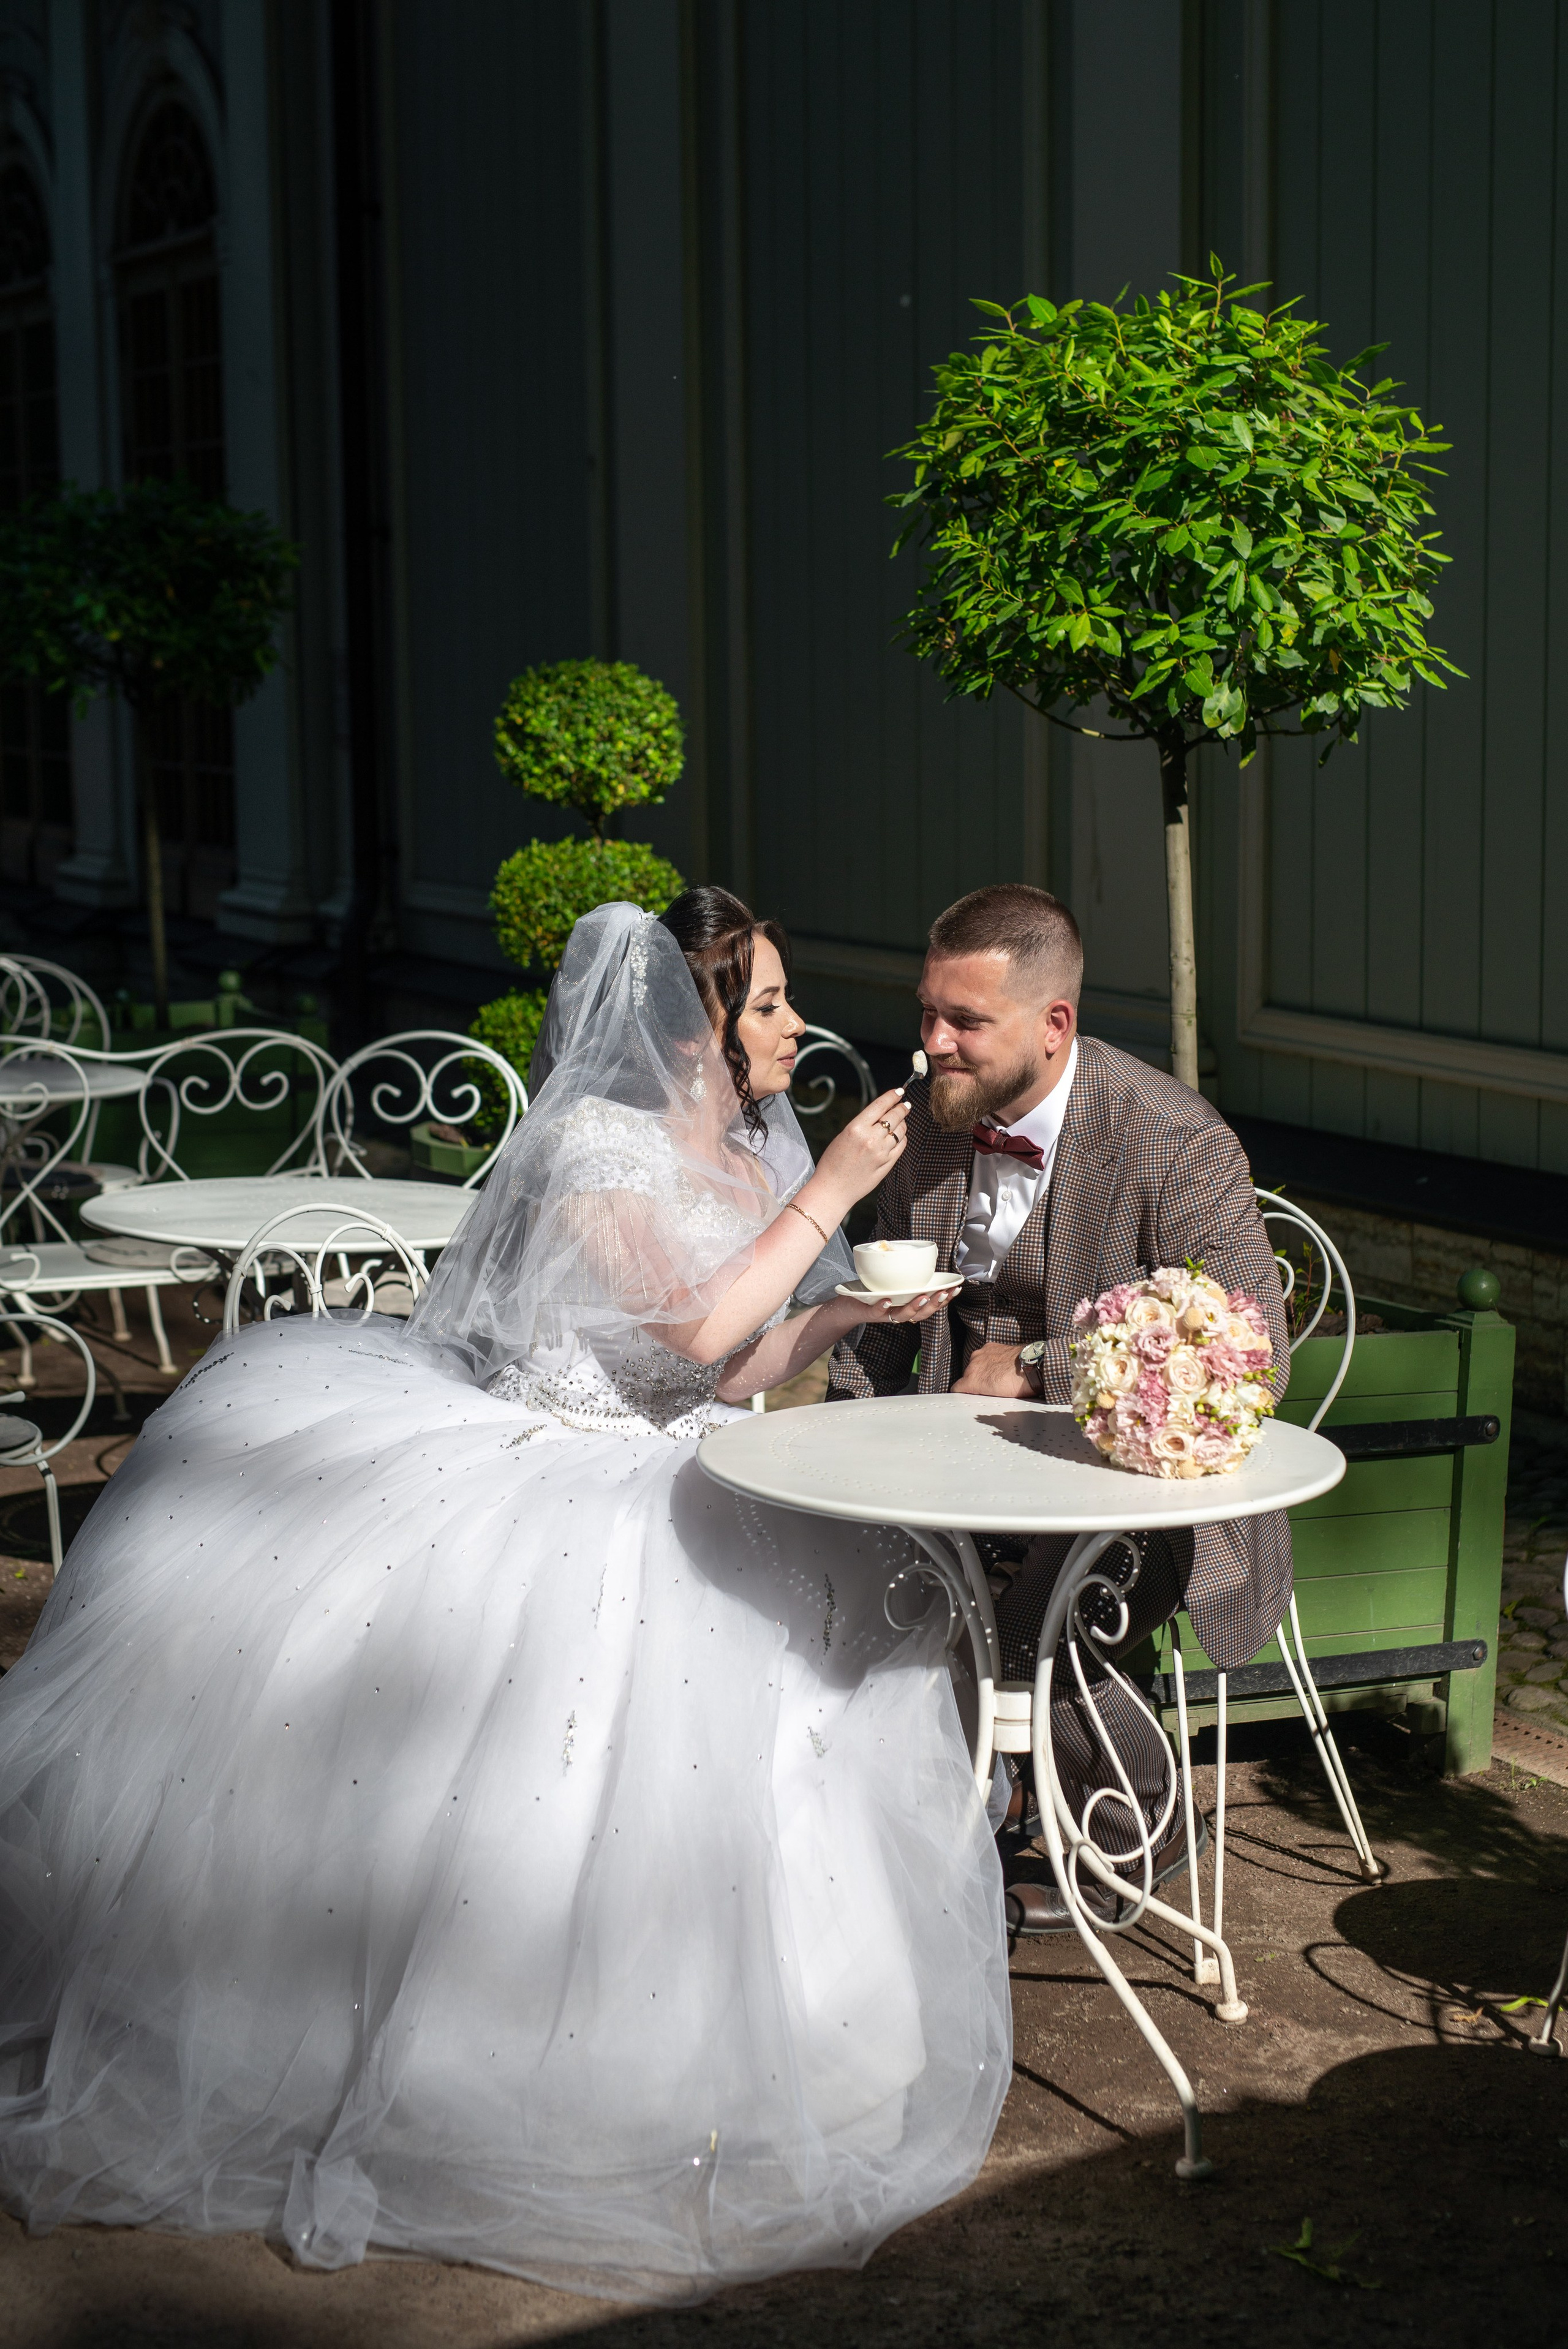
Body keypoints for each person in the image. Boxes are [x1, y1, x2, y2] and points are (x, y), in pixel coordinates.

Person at [0, 891, 1008, 2303]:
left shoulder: (739, 1138)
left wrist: (846, 1311)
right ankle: (527, 2083)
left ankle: (808, 2039)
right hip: (564, 1477)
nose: (793, 1027)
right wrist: (829, 1195)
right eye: (766, 1004)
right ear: (687, 1030)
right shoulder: (592, 1145)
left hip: (695, 1452)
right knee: (559, 1782)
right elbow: (692, 1325)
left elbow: (731, 1370)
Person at [829, 883, 1291, 1933]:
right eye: (926, 1015)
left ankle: (1140, 1841)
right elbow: (877, 1326)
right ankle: (933, 1835)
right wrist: (846, 1456)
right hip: (949, 1468)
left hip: (1129, 1484)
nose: (932, 1044)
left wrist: (1037, 1365)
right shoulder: (928, 1125)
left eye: (964, 1024)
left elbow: (1251, 1345)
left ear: (1054, 1025)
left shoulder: (1171, 1139)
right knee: (847, 1573)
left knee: (1047, 1615)